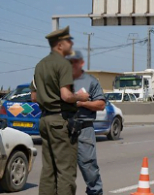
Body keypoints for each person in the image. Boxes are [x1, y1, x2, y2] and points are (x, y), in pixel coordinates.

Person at [30, 26, 90, 195]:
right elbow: (65, 95)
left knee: (48, 169)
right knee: (66, 171)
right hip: (60, 120)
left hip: (45, 121)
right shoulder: (63, 64)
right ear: (59, 45)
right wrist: (80, 97)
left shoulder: (40, 65)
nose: (71, 43)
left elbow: (34, 97)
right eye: (68, 40)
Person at [66, 50, 106, 195]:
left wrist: (82, 104)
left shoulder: (91, 81)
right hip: (63, 129)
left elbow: (100, 104)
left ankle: (95, 192)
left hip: (84, 130)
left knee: (89, 168)